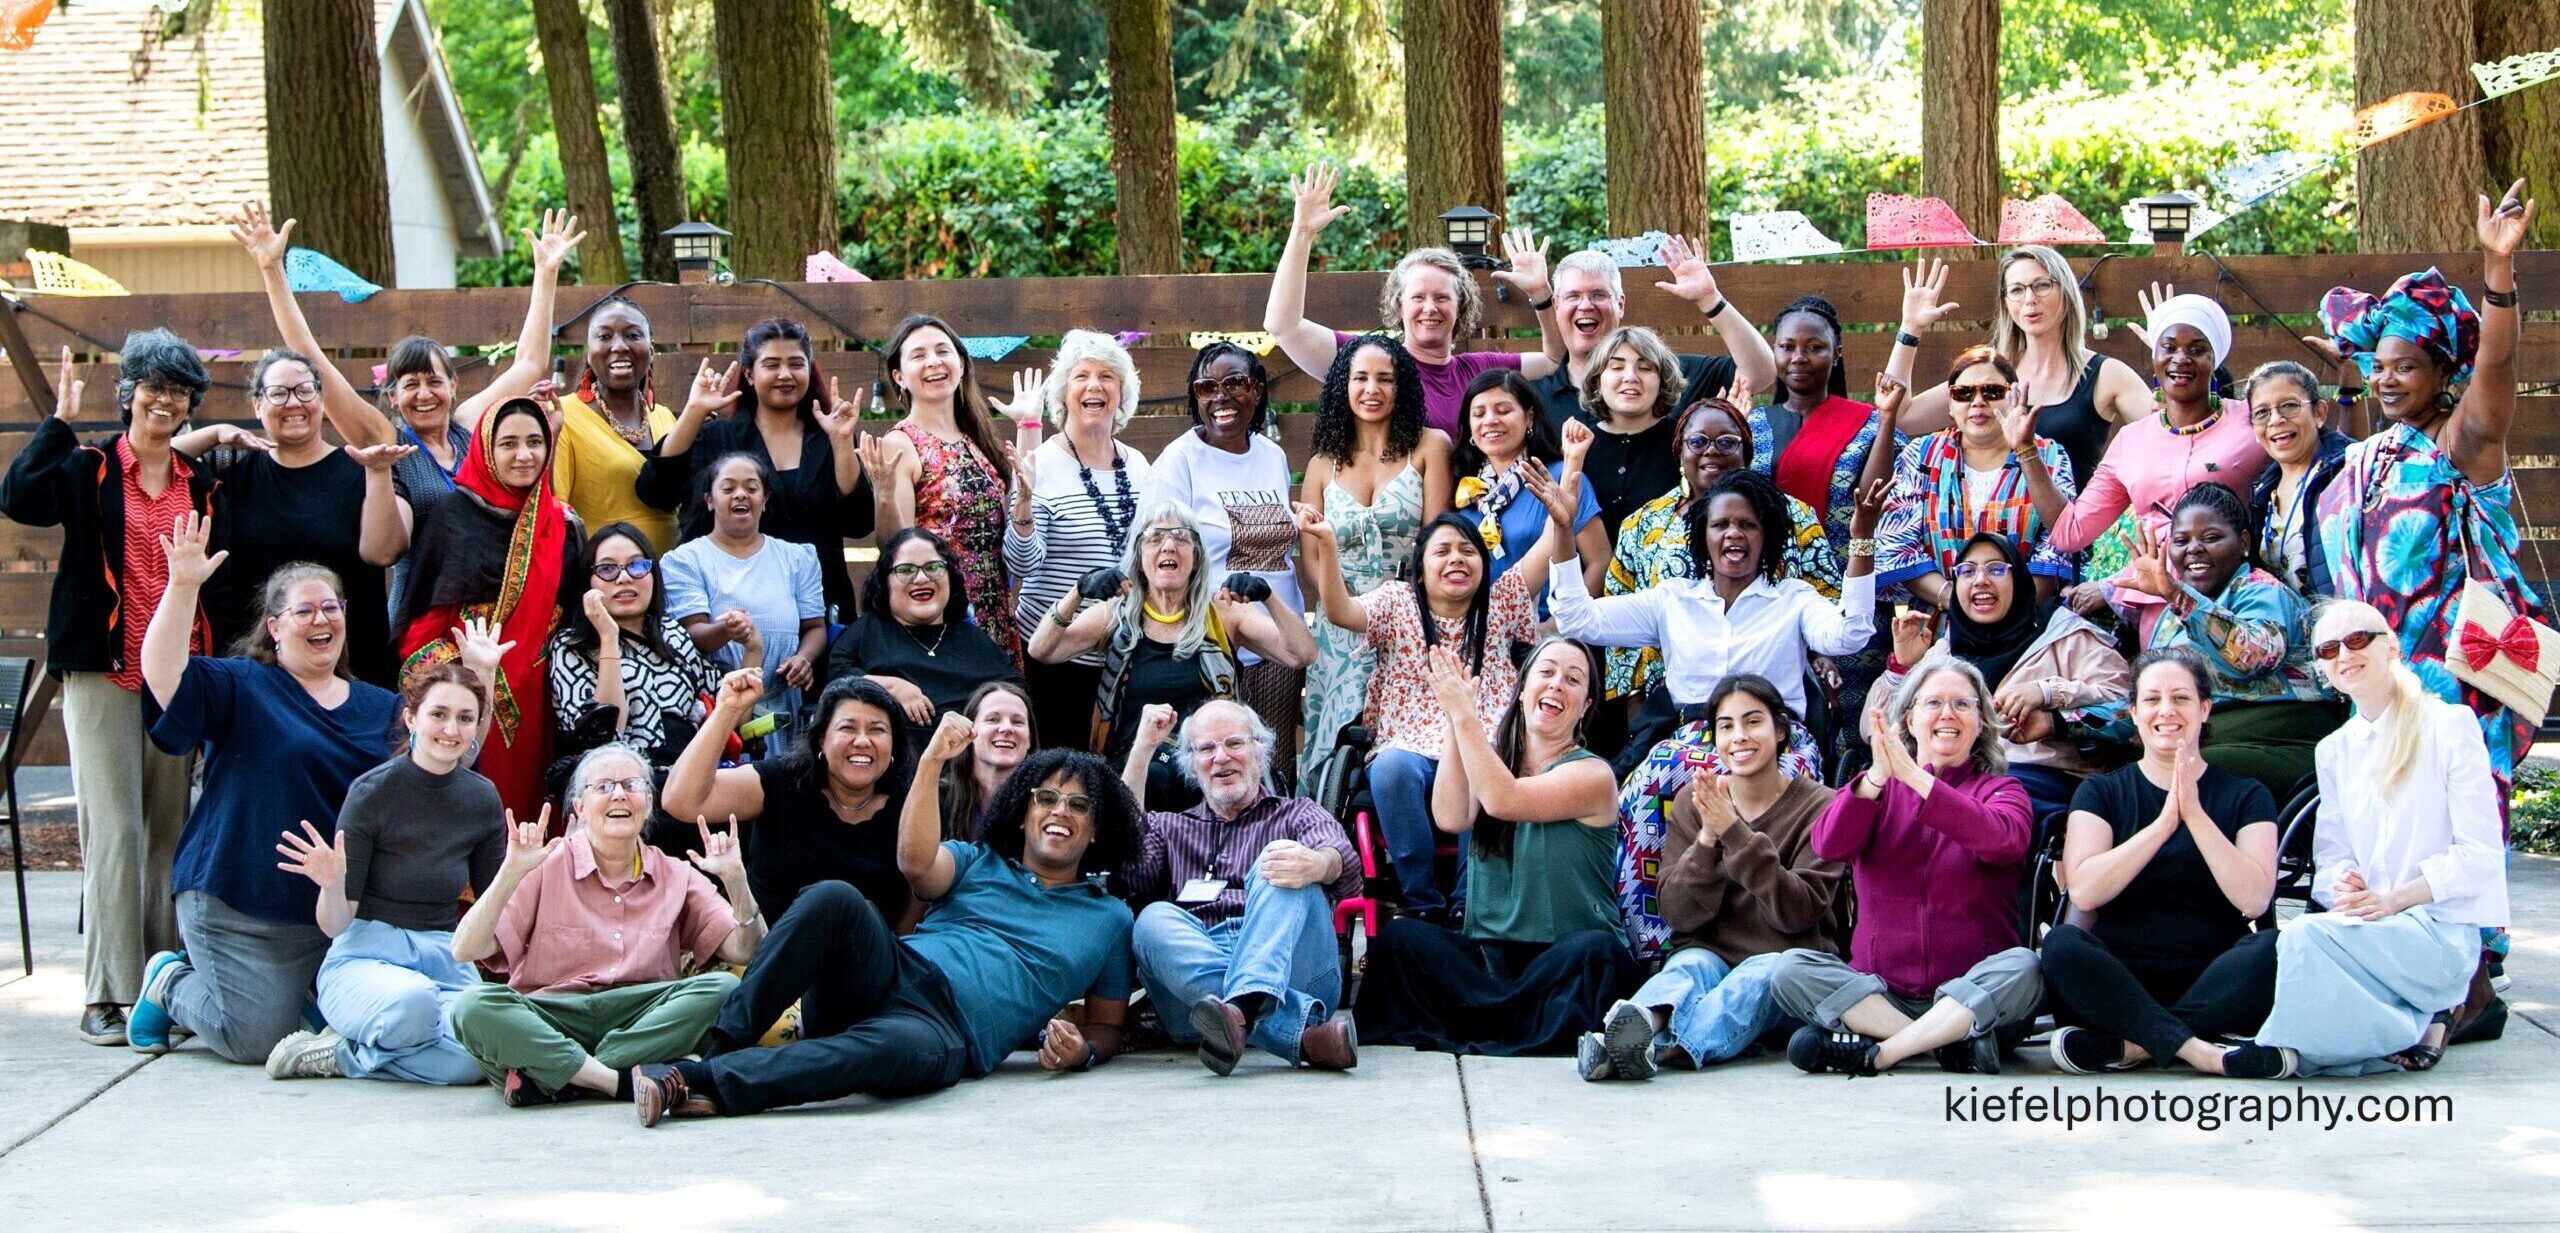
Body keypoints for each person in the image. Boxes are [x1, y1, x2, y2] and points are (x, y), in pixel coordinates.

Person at [631, 746, 1143, 1124]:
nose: (1059, 812)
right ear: (1024, 812)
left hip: (946, 1032)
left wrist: (1085, 1051)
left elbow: (1108, 1026)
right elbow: (916, 863)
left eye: (1078, 806)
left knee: (884, 1052)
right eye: (1047, 798)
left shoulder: (1111, 919)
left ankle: (699, 1082)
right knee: (834, 897)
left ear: (1097, 829)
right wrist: (931, 764)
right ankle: (721, 1050)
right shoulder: (977, 862)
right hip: (891, 970)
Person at [1548, 464, 1883, 959]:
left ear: (1765, 534)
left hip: (1775, 741)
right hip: (1692, 741)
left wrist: (1861, 540)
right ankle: (1652, 951)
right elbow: (1577, 618)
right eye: (1721, 524)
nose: (1734, 534)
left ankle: (1764, 939)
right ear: (1702, 535)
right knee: (1642, 791)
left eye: (1747, 524)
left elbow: (1850, 634)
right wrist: (1562, 529)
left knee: (1775, 786)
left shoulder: (1793, 598)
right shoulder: (1673, 600)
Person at [0, 334, 217, 1044]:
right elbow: (19, 498)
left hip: (174, 671)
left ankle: (159, 984)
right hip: (102, 667)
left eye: (179, 391)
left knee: (167, 831)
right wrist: (59, 420)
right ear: (127, 393)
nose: (165, 400)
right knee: (114, 829)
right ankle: (107, 992)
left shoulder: (201, 481)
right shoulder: (87, 467)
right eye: (153, 387)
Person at [124, 515, 402, 1062]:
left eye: (331, 608)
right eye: (303, 610)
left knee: (368, 1023)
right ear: (274, 626)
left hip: (330, 916)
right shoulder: (239, 684)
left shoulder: (380, 707)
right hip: (237, 902)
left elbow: (439, 763)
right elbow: (161, 674)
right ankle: (169, 980)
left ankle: (296, 995)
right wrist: (182, 588)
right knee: (255, 1040)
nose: (320, 619)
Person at [230, 203, 580, 618]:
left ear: (453, 386)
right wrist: (272, 271)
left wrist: (546, 272)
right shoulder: (387, 440)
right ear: (392, 396)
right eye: (410, 385)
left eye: (434, 381)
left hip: (495, 607)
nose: (424, 394)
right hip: (424, 617)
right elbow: (311, 357)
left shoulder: (469, 427)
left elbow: (529, 363)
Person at [2315, 184, 2544, 806]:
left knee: (2454, 836)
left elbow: (2496, 362)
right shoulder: (2373, 451)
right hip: (2374, 679)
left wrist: (2498, 267)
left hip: (2452, 681)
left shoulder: (2463, 442)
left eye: (2407, 366)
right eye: (2379, 366)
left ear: (2444, 372)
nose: (2387, 378)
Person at [2248, 601, 2511, 1077]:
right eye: (2329, 649)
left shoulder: (2449, 726)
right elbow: (2331, 857)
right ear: (2323, 670)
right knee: (2297, 945)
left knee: (2305, 939)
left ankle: (2291, 1052)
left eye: (2357, 640)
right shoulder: (2334, 751)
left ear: (2390, 646)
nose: (2344, 655)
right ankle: (2403, 1026)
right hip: (2370, 931)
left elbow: (2482, 856)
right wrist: (2345, 885)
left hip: (2437, 936)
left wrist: (2394, 900)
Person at [1356, 639, 1637, 1055]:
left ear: (1585, 706)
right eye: (1546, 673)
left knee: (1597, 955)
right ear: (1522, 691)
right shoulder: (1491, 763)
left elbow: (1504, 800)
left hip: (1561, 959)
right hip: (1490, 961)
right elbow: (1451, 816)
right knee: (1401, 940)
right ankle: (1510, 1020)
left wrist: (1467, 718)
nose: (1557, 684)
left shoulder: (1593, 774)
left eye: (1573, 680)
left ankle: (1483, 1020)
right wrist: (1455, 719)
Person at [447, 746, 764, 1106]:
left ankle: (559, 1077)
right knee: (473, 1007)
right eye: (604, 786)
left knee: (723, 989)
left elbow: (747, 950)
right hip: (552, 1016)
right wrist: (510, 873)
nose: (619, 794)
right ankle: (617, 1081)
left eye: (632, 785)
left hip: (640, 1019)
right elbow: (465, 949)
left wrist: (737, 880)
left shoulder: (677, 874)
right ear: (579, 808)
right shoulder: (545, 864)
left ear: (648, 804)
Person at [1770, 657, 2040, 1076]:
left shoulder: (2003, 791)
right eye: (1933, 703)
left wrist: (1917, 777)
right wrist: (1877, 778)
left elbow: (2002, 841)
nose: (1947, 714)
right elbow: (1828, 843)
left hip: (1970, 999)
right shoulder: (1876, 788)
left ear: (1982, 723)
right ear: (1909, 721)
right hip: (1881, 996)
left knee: (2025, 967)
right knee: (1788, 969)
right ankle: (1942, 1047)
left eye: (1962, 705)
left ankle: (1883, 1050)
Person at [263, 645, 514, 1084]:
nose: (451, 729)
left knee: (478, 1058)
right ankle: (367, 1036)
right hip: (365, 956)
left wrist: (518, 871)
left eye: (464, 718)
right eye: (438, 714)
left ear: (476, 728)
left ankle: (344, 1055)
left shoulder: (481, 798)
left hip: (443, 957)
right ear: (411, 719)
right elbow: (337, 925)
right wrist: (331, 882)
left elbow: (487, 930)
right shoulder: (372, 793)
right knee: (413, 1004)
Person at [1575, 674, 1843, 1082]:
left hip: (1788, 964)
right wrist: (1707, 838)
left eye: (1753, 722)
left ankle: (1649, 1051)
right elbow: (1679, 915)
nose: (1740, 737)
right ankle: (1635, 1028)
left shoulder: (1822, 806)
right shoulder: (1694, 802)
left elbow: (1799, 913)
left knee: (1756, 977)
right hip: (1711, 952)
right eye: (1726, 726)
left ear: (1780, 730)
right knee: (1688, 969)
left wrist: (1735, 833)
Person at [2042, 648, 2281, 1076]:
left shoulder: (2247, 794)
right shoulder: (2101, 793)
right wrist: (2163, 824)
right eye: (2152, 699)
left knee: (2274, 949)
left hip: (2212, 976)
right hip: (2120, 978)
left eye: (2181, 699)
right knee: (2061, 946)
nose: (2166, 711)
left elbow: (2254, 900)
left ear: (2205, 709)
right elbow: (2084, 890)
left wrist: (2196, 816)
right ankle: (2201, 1050)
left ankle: (2136, 1046)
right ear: (2133, 712)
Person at [1298, 508, 1548, 917]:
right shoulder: (1397, 602)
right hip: (1407, 744)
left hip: (1481, 744)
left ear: (1483, 566)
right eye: (1443, 551)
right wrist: (1326, 543)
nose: (1456, 559)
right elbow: (1341, 612)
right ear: (1420, 570)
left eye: (1468, 550)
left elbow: (1550, 543)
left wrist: (1568, 484)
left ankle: (1471, 899)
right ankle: (1420, 899)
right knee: (1392, 768)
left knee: (1486, 764)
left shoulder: (1500, 602)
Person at [1118, 700, 1364, 1073]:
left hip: (1294, 969)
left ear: (1260, 754)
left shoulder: (1298, 813)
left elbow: (1345, 867)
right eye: (1206, 748)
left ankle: (1242, 1013)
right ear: (1191, 765)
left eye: (1234, 743)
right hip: (1196, 1002)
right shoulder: (1169, 827)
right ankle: (1305, 1037)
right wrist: (1142, 750)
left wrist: (1316, 863)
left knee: (1278, 859)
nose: (1221, 757)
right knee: (1151, 919)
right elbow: (1129, 866)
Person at [1030, 507, 1313, 813]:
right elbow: (1042, 649)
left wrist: (1268, 596)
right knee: (1155, 775)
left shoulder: (1221, 613)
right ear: (1139, 556)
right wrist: (1077, 591)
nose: (1168, 546)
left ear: (1196, 557)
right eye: (1154, 538)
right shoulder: (1117, 614)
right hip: (1137, 769)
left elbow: (1301, 653)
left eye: (1181, 537)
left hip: (1209, 767)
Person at [1607, 396, 1843, 749]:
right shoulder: (1643, 524)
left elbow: (1826, 597)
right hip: (1673, 707)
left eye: (1726, 442)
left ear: (1746, 450)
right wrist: (1635, 699)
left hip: (1768, 703)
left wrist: (1824, 657)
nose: (1711, 451)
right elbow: (1619, 607)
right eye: (1698, 441)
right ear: (1680, 451)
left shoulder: (1794, 517)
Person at [1264, 161, 1564, 434]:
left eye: (1442, 298)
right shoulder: (1370, 361)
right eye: (1418, 297)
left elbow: (1553, 360)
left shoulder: (1477, 369)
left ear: (1461, 306)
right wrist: (1302, 233)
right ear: (1399, 304)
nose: (1430, 307)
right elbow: (1283, 325)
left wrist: (1541, 294)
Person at [396, 396, 583, 823]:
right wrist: (465, 674)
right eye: (509, 443)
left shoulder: (564, 523)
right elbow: (423, 622)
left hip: (547, 697)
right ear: (485, 448)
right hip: (472, 689)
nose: (524, 455)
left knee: (544, 808)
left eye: (535, 442)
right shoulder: (452, 516)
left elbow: (573, 618)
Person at [2048, 292, 2269, 644]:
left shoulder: (2248, 420)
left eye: (2197, 349)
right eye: (2169, 347)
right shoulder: (2131, 440)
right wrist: (2027, 449)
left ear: (2214, 359)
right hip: (2158, 609)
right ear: (2154, 357)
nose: (2181, 359)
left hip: (2235, 597)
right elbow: (2070, 533)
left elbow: (2316, 458)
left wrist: (2348, 391)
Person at [1877, 532, 2128, 832]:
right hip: (1951, 779)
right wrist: (1904, 670)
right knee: (1886, 804)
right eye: (1967, 571)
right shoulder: (1945, 650)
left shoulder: (2069, 636)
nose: (1981, 580)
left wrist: (2049, 702)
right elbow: (1877, 732)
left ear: (2019, 579)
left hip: (2040, 782)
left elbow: (2129, 710)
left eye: (1996, 569)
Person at [1297, 333, 1454, 790]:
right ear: (1342, 386)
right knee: (1333, 749)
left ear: (1401, 386)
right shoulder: (1323, 464)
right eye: (1360, 378)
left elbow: (1435, 542)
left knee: (1402, 747)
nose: (1372, 389)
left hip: (1409, 618)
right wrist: (1343, 605)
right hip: (1337, 626)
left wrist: (1397, 611)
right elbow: (1311, 558)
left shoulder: (1430, 447)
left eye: (1385, 379)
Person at [1150, 343, 1315, 779]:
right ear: (1195, 397)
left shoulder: (1272, 455)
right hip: (1212, 641)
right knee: (1219, 766)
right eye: (1207, 386)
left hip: (1279, 637)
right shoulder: (1179, 459)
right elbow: (1156, 551)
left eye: (1235, 383)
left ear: (1257, 391)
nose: (1220, 396)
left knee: (1275, 764)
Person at [640, 319, 872, 619]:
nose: (785, 374)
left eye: (796, 364)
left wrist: (841, 444)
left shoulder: (831, 437)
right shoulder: (717, 439)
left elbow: (858, 523)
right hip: (731, 611)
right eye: (772, 364)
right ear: (749, 374)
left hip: (819, 610)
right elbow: (656, 493)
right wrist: (694, 411)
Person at [2115, 482, 2333, 799]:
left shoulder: (2261, 591)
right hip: (2199, 737)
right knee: (2112, 782)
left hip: (2279, 739)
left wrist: (2178, 596)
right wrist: (2060, 719)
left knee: (2180, 774)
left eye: (2212, 538)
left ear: (2243, 542)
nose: (2194, 549)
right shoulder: (2171, 615)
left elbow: (2254, 658)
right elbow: (2150, 696)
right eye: (2180, 541)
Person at [1747, 297, 1903, 735]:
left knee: (1852, 725)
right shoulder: (1751, 424)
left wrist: (1888, 419)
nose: (1799, 357)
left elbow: (1876, 495)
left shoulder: (1869, 422)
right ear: (1773, 351)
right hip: (1767, 595)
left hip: (1847, 590)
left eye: (1814, 347)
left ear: (1836, 353)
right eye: (1787, 346)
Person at [662, 672, 919, 929]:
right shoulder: (782, 781)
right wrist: (727, 711)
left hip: (870, 959)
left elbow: (915, 905)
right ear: (821, 739)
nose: (862, 741)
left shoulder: (911, 805)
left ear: (894, 744)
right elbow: (681, 800)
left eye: (877, 730)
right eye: (847, 728)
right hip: (775, 955)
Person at [1886, 250, 2154, 485]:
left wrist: (2168, 354)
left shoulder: (2106, 374)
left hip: (2069, 532)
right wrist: (1910, 328)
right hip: (1992, 532)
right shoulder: (1989, 372)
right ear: (2005, 302)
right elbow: (1901, 418)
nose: (2029, 299)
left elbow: (2169, 433)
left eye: (2042, 285)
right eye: (2016, 289)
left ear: (2067, 292)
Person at [1004, 330, 1153, 747]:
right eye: (1081, 376)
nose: (1094, 385)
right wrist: (1024, 502)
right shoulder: (1041, 462)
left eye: (1107, 376)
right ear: (1063, 395)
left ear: (1121, 394)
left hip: (1124, 658)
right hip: (1055, 658)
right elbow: (1021, 565)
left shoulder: (1138, 464)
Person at [858, 313, 1026, 656]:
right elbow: (895, 548)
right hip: (942, 621)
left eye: (942, 351)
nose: (933, 362)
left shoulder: (976, 439)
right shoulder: (902, 443)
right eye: (918, 356)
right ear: (899, 377)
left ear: (961, 365)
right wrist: (885, 493)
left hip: (995, 614)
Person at [543, 522, 723, 822]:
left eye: (637, 566)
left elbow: (722, 710)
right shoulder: (570, 645)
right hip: (621, 787)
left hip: (688, 779)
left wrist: (752, 650)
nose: (625, 578)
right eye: (608, 570)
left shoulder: (673, 633)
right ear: (589, 581)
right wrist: (609, 638)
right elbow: (605, 738)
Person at [1875, 345, 2078, 609]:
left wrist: (2006, 611)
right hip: (1940, 624)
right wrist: (1959, 603)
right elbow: (1897, 545)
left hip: (2028, 624)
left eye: (1992, 391)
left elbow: (2059, 547)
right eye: (1963, 393)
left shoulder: (2049, 456)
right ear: (1950, 404)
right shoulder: (1922, 455)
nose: (1978, 401)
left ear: (2014, 397)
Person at [662, 452, 828, 734]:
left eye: (751, 488)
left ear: (765, 501)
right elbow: (692, 635)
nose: (740, 495)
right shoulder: (685, 560)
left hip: (785, 705)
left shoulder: (798, 558)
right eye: (728, 489)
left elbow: (815, 627)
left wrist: (804, 658)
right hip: (717, 708)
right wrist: (726, 629)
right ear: (710, 501)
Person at [1534, 243, 1775, 433]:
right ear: (1556, 306)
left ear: (1620, 305)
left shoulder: (1677, 375)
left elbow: (1760, 374)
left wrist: (1710, 299)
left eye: (1599, 295)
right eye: (1573, 296)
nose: (1585, 305)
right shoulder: (1534, 396)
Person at [826, 526, 1020, 725]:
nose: (921, 578)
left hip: (966, 748)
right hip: (896, 748)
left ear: (950, 577)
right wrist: (892, 687)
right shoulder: (868, 629)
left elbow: (1015, 689)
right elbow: (836, 679)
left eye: (933, 567)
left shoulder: (971, 637)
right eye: (906, 570)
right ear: (885, 582)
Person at [1449, 370, 1607, 607]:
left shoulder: (1560, 477)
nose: (1490, 420)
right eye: (1478, 414)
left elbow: (1600, 561)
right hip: (1485, 632)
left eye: (1503, 411)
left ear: (1529, 417)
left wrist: (1558, 626)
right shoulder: (1467, 492)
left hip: (1553, 634)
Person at [553, 296, 679, 552]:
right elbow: (556, 513)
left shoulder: (665, 417)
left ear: (652, 350)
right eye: (605, 336)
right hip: (604, 580)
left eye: (633, 336)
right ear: (588, 353)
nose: (619, 346)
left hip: (672, 577)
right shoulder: (564, 415)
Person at [1568, 325, 1694, 543]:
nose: (1630, 377)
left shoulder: (1685, 442)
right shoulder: (1578, 444)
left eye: (1644, 368)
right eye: (1616, 367)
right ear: (1597, 381)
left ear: (1662, 381)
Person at [2241, 360, 2351, 601]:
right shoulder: (2263, 493)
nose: (2275, 420)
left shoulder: (2344, 474)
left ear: (2319, 413)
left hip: (2338, 631)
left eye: (2289, 406)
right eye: (2262, 413)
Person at [932, 682, 1037, 841]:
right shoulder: (937, 795)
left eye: (1018, 722)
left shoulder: (1044, 803)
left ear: (1030, 739)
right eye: (993, 719)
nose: (1007, 728)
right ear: (970, 732)